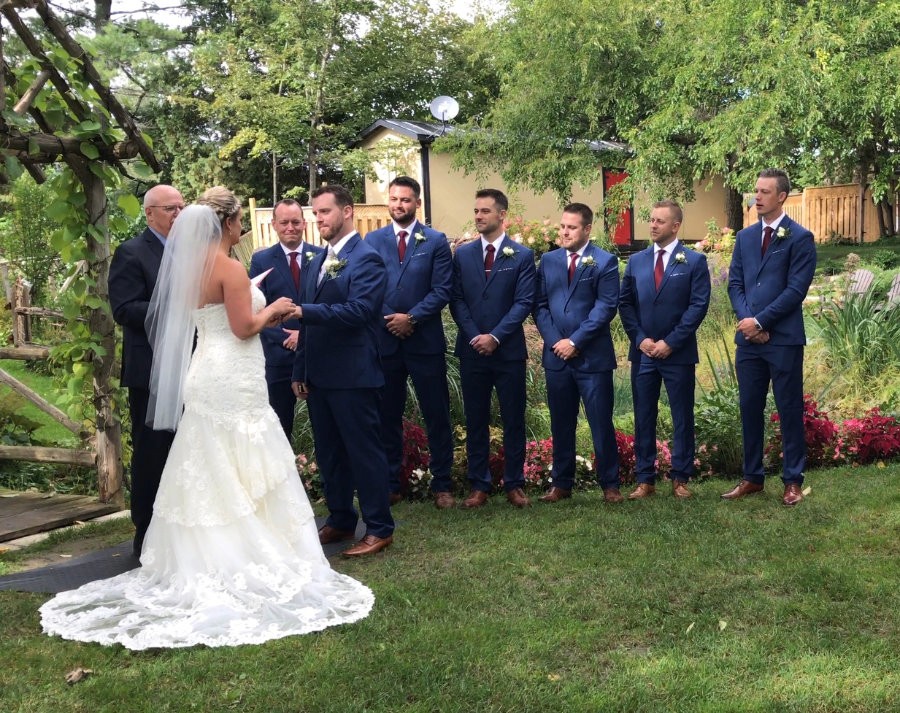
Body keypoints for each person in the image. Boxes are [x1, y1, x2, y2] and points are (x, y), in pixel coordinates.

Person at [40, 187, 373, 649]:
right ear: (228, 223)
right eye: (239, 221)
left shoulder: (188, 267)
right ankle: (248, 550)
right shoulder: (229, 267)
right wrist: (274, 310)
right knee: (242, 452)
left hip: (204, 372)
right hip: (232, 375)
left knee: (207, 458)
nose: (242, 228)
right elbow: (243, 328)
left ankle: (199, 553)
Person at [291, 185, 395, 556]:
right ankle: (340, 519)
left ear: (347, 211)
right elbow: (307, 324)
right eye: (315, 213)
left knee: (363, 452)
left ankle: (379, 527)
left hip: (353, 374)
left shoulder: (367, 258)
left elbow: (360, 311)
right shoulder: (318, 259)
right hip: (319, 375)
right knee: (329, 452)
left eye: (325, 211)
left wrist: (303, 311)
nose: (318, 219)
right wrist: (300, 369)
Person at [723, 168, 816, 506]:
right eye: (756, 191)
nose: (757, 197)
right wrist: (747, 322)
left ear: (782, 196)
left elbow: (796, 290)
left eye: (764, 192)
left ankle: (792, 481)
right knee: (749, 407)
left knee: (789, 408)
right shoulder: (745, 237)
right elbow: (735, 284)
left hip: (783, 339)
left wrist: (761, 322)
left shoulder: (800, 238)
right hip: (748, 342)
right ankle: (752, 477)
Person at [365, 176, 455, 509]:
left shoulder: (435, 240)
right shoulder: (373, 240)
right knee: (387, 415)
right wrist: (391, 318)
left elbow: (442, 289)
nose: (398, 205)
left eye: (405, 200)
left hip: (424, 342)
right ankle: (392, 483)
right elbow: (367, 286)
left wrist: (412, 318)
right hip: (386, 341)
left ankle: (442, 484)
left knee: (437, 413)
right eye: (393, 199)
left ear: (417, 203)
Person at [108, 184, 184, 558]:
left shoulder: (191, 252)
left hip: (190, 367)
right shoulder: (132, 252)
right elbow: (123, 308)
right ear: (150, 213)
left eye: (182, 207)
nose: (178, 215)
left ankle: (182, 530)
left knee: (185, 449)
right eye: (171, 209)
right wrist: (172, 307)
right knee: (151, 451)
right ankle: (147, 533)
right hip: (151, 370)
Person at [619, 200, 711, 499]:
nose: (653, 225)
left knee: (682, 415)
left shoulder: (693, 261)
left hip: (678, 354)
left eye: (660, 221)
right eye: (652, 219)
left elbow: (698, 306)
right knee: (643, 415)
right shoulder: (636, 261)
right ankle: (645, 479)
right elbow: (625, 303)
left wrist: (671, 342)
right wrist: (640, 339)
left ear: (676, 226)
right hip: (643, 353)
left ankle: (680, 478)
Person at [450, 189, 536, 508]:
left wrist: (496, 337)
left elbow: (523, 302)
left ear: (502, 215)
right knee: (476, 418)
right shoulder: (463, 255)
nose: (478, 216)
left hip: (508, 351)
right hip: (472, 350)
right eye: (476, 210)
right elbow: (456, 299)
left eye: (485, 211)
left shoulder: (522, 256)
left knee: (513, 418)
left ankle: (514, 483)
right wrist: (476, 336)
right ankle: (479, 485)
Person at [534, 203, 623, 504]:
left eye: (571, 227)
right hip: (556, 357)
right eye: (562, 226)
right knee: (561, 423)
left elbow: (605, 307)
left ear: (587, 229)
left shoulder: (604, 261)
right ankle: (561, 484)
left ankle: (610, 485)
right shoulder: (548, 261)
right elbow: (540, 305)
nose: (564, 232)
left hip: (592, 358)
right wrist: (556, 342)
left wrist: (575, 342)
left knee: (600, 422)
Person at [249, 199, 323, 440]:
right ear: (274, 224)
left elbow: (329, 304)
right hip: (279, 356)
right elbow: (256, 309)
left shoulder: (322, 256)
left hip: (316, 355)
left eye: (295, 222)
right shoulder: (261, 261)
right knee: (278, 430)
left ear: (304, 223)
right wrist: (285, 337)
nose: (290, 227)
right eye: (284, 222)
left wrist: (305, 335)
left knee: (325, 427)